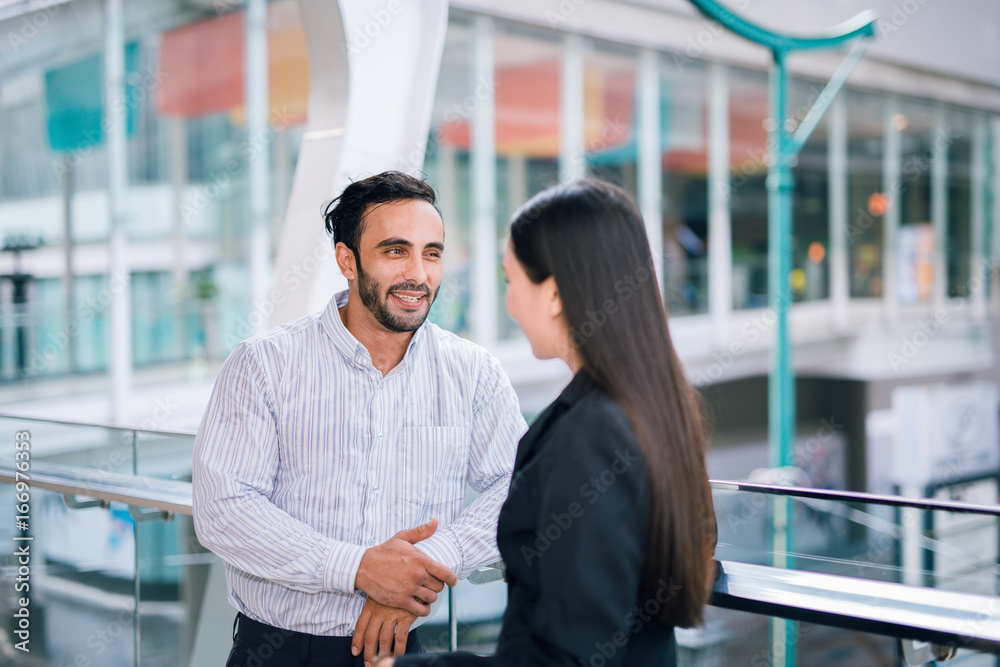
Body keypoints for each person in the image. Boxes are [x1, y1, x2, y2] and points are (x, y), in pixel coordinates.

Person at [193, 171, 527, 667]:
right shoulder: (264, 364)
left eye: (431, 253)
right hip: (279, 651)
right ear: (347, 260)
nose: (418, 273)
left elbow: (520, 485)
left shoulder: (473, 373)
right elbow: (224, 507)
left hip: (402, 649)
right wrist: (360, 569)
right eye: (396, 251)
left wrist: (430, 562)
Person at [383, 179, 718, 667]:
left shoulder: (593, 435)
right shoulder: (645, 411)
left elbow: (563, 657)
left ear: (556, 293)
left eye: (511, 281)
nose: (510, 303)